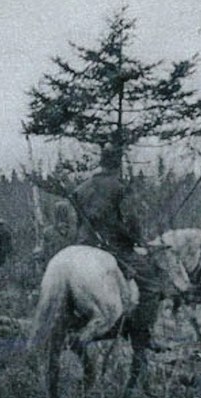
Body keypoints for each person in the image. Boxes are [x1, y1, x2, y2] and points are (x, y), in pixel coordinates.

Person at [70, 143, 161, 350]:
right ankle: (143, 335)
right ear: (117, 164)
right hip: (113, 247)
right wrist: (139, 240)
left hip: (82, 245)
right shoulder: (120, 188)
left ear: (101, 162)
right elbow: (130, 221)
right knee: (151, 284)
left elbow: (77, 223)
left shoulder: (81, 188)